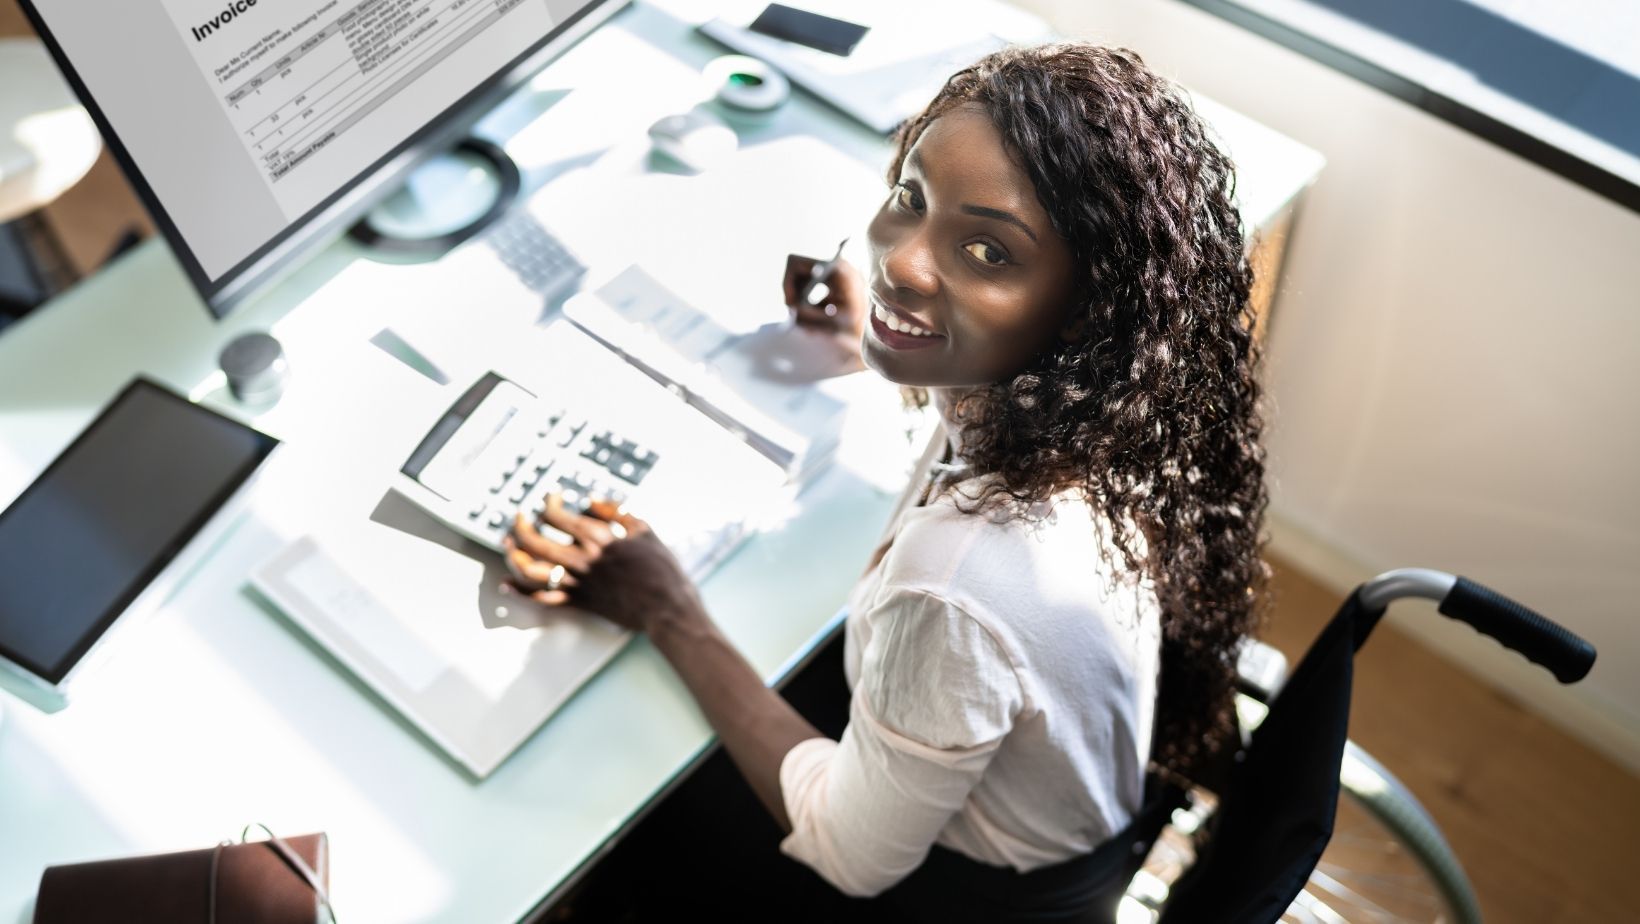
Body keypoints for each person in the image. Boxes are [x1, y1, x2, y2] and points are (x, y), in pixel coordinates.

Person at [503, 43, 1269, 922]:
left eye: (986, 250)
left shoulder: (959, 577)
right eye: (912, 198)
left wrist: (666, 610)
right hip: (1042, 806)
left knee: (619, 810)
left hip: (959, 894)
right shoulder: (1103, 421)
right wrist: (882, 335)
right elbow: (936, 310)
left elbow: (851, 856)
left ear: (1086, 317)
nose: (902, 262)